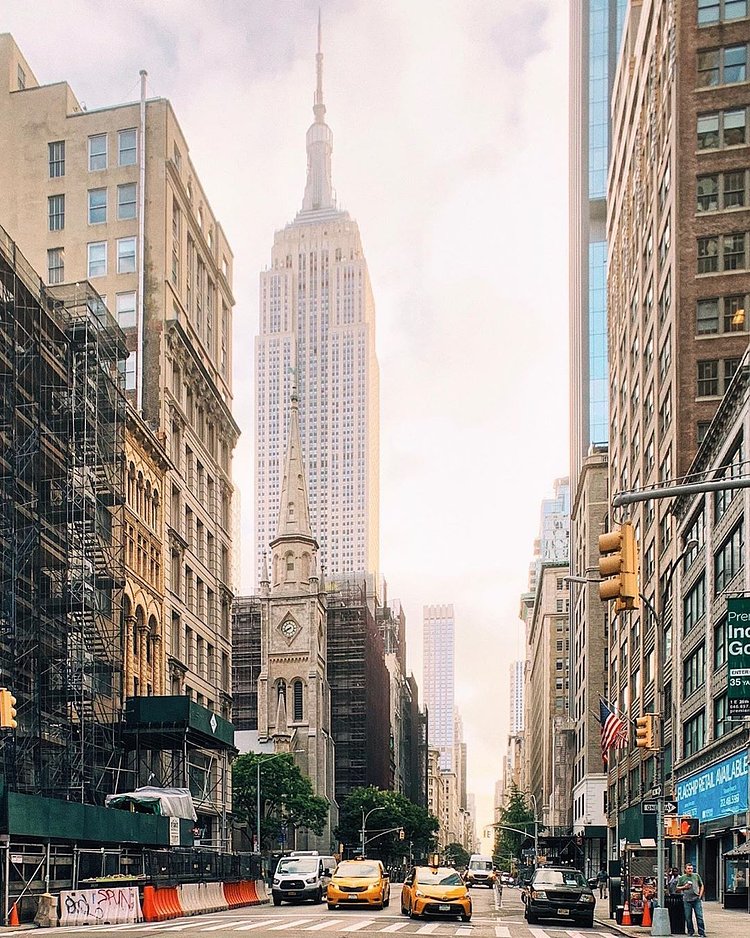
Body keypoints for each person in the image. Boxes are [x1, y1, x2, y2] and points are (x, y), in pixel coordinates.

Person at [676, 862, 705, 937]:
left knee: (699, 916)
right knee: (688, 917)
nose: (690, 870)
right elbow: (677, 888)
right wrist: (684, 887)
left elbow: (701, 885)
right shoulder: (682, 878)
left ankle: (701, 932)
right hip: (687, 900)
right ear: (685, 870)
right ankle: (690, 931)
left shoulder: (696, 876)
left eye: (691, 868)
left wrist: (700, 895)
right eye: (688, 868)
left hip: (696, 899)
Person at [666, 867, 685, 935]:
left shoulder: (680, 878)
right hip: (672, 896)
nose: (675, 873)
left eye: (676, 871)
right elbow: (668, 885)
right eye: (673, 871)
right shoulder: (671, 878)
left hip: (678, 896)